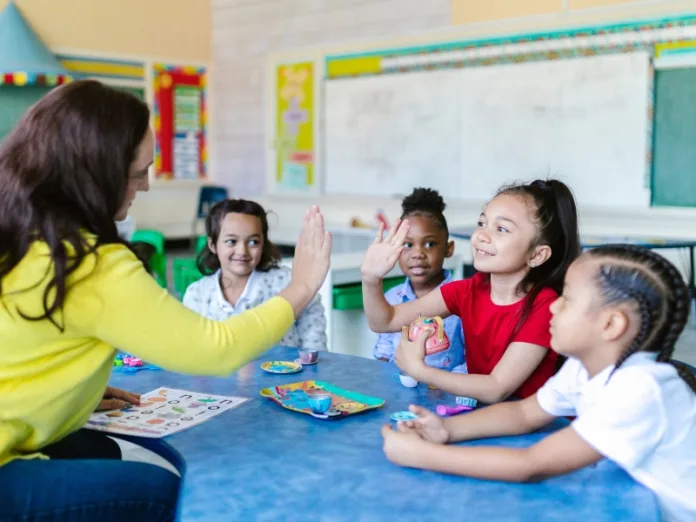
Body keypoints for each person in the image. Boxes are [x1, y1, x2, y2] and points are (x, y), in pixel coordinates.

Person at [0, 80, 331, 522]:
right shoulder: (87, 262)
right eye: (138, 173)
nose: (148, 185)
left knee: (97, 448)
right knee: (159, 490)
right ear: (95, 172)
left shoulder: (20, 232)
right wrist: (303, 285)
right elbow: (216, 349)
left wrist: (69, 393)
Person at [381, 244, 696, 522]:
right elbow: (524, 414)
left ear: (611, 324)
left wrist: (421, 456)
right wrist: (447, 430)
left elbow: (531, 465)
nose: (554, 305)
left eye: (568, 299)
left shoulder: (640, 388)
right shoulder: (583, 369)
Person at [362, 180, 580, 403]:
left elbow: (497, 387)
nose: (482, 235)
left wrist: (421, 371)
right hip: (482, 415)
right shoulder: (468, 290)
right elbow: (386, 321)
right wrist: (370, 279)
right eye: (482, 223)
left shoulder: (545, 307)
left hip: (529, 429)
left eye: (501, 229)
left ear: (536, 255)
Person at [183, 199, 327, 351]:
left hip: (285, 374)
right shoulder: (197, 294)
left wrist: (313, 366)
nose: (242, 251)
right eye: (231, 241)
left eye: (253, 242)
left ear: (263, 243)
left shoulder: (288, 282)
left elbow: (313, 330)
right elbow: (191, 349)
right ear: (213, 245)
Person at [373, 188, 465, 373]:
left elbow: (474, 361)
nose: (417, 254)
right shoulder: (392, 298)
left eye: (429, 244)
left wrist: (450, 386)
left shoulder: (463, 300)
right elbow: (384, 354)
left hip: (446, 394)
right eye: (407, 245)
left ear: (449, 249)